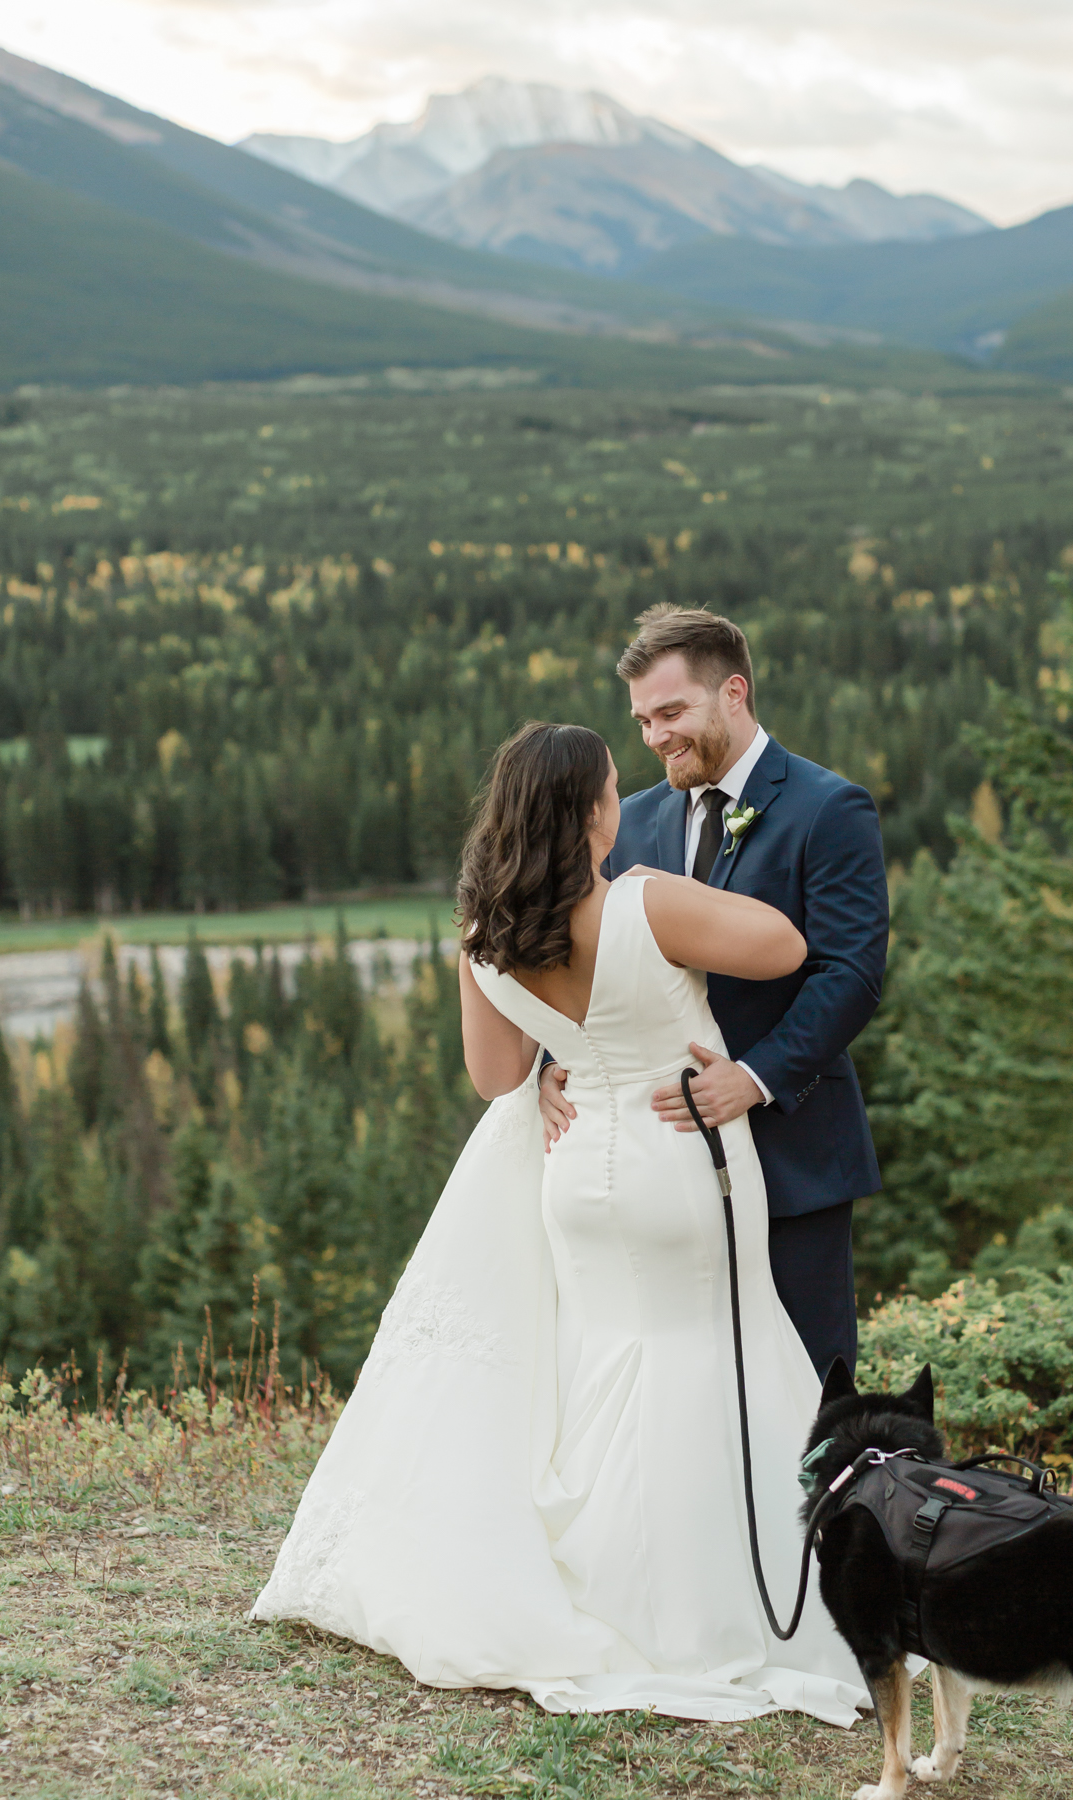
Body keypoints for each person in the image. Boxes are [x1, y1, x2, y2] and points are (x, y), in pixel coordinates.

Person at [252, 722, 866, 1724]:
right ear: (591, 814)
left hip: (577, 1175)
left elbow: (498, 1077)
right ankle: (712, 1611)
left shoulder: (483, 935)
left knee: (607, 1367)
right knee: (702, 1359)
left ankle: (595, 1580)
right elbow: (785, 945)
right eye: (614, 792)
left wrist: (558, 1056)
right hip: (679, 1158)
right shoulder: (644, 904)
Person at [540, 606, 887, 1379]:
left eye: (671, 712)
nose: (655, 737)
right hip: (658, 1165)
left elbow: (853, 971)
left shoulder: (829, 808)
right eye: (641, 721)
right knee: (686, 1377)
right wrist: (552, 1067)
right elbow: (572, 957)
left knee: (806, 1382)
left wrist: (754, 1079)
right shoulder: (628, 820)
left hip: (792, 1151)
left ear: (734, 692)